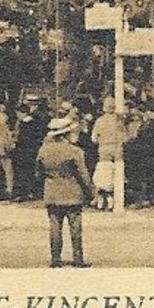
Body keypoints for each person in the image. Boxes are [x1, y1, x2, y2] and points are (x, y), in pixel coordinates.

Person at [37, 117, 94, 268]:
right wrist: (91, 192)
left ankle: (55, 259)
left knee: (55, 227)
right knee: (75, 227)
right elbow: (83, 175)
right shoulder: (75, 151)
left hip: (52, 192)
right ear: (65, 134)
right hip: (72, 192)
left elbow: (38, 173)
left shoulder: (43, 150)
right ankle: (78, 259)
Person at [89, 98, 124, 211]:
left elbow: (94, 138)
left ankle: (101, 200)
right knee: (116, 174)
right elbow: (125, 137)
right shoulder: (119, 121)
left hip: (104, 150)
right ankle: (112, 199)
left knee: (103, 173)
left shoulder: (99, 121)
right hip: (117, 149)